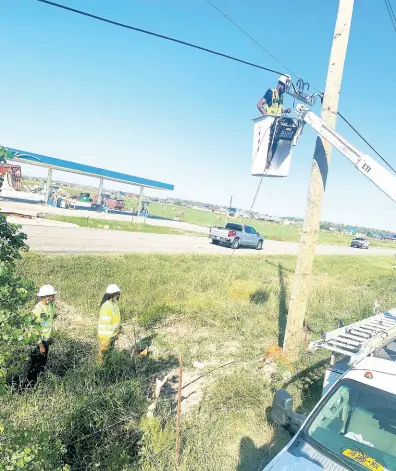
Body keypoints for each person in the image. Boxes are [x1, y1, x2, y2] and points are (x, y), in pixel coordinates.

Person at [27, 284, 57, 385]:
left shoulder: (51, 306)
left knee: (42, 363)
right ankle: (30, 385)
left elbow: (52, 317)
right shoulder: (38, 309)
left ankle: (39, 382)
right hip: (38, 342)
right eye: (52, 296)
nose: (53, 298)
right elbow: (33, 329)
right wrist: (40, 345)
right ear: (46, 297)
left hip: (46, 340)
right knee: (35, 364)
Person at [97, 284, 122, 363]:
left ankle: (107, 366)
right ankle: (99, 369)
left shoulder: (114, 305)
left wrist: (117, 331)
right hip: (106, 335)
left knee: (109, 355)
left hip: (112, 334)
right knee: (103, 356)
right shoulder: (106, 306)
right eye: (117, 294)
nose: (118, 296)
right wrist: (109, 335)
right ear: (113, 295)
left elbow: (116, 320)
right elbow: (105, 323)